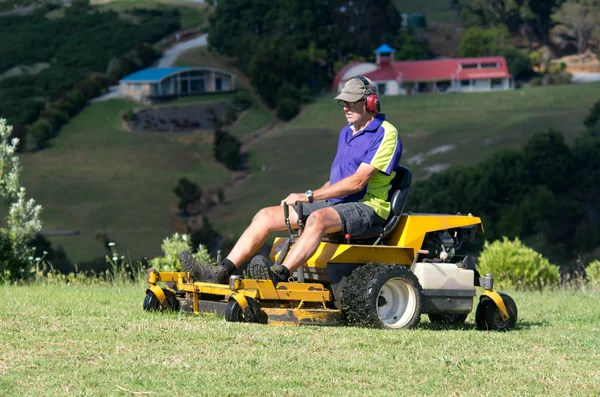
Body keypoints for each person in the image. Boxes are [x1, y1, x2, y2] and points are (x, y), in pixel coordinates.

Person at [179, 75, 402, 285]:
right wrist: (306, 198)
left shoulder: (386, 133)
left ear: (370, 103)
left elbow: (357, 183)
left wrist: (308, 196)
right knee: (265, 216)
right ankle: (220, 273)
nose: (345, 107)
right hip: (338, 203)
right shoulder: (347, 132)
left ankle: (278, 275)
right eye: (343, 102)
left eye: (351, 102)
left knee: (318, 219)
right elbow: (337, 181)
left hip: (368, 207)